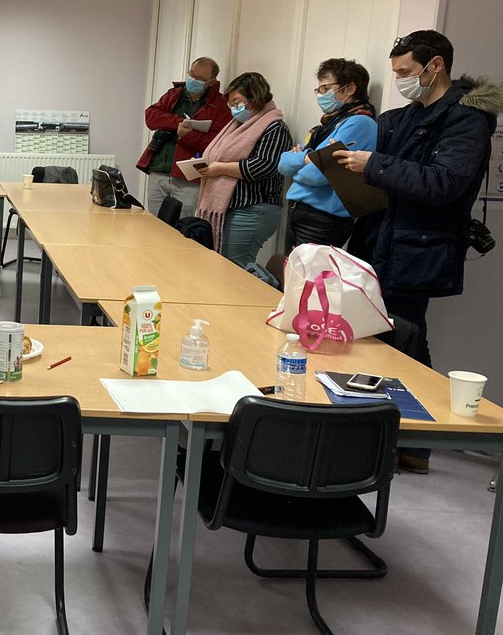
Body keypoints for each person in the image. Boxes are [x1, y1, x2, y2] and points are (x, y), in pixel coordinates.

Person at [336, 29, 500, 382]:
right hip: (380, 239)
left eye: (405, 73)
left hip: (414, 249)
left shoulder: (465, 119)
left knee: (406, 341)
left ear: (435, 65)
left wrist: (374, 165)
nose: (399, 81)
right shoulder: (403, 117)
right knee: (386, 340)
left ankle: (423, 426)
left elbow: (443, 183)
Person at [277, 58, 377, 251]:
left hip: (322, 219)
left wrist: (299, 163)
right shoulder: (324, 128)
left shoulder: (360, 123)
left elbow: (316, 174)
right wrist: (307, 158)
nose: (320, 95)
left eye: (325, 89)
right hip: (300, 211)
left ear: (349, 89)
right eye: (319, 90)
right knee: (291, 276)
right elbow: (282, 164)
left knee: (310, 280)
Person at [195, 72, 294, 266]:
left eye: (237, 102)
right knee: (222, 266)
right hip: (231, 209)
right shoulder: (236, 126)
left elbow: (263, 167)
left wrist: (220, 169)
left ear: (255, 97)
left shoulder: (275, 127)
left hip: (253, 208)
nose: (233, 108)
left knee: (234, 270)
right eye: (231, 104)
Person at [137, 56, 232, 219]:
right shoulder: (175, 94)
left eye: (200, 79)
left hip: (189, 177)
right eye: (192, 75)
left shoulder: (220, 105)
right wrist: (179, 122)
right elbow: (151, 117)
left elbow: (217, 143)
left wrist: (188, 135)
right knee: (153, 226)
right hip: (159, 169)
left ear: (211, 81)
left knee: (181, 228)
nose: (193, 80)